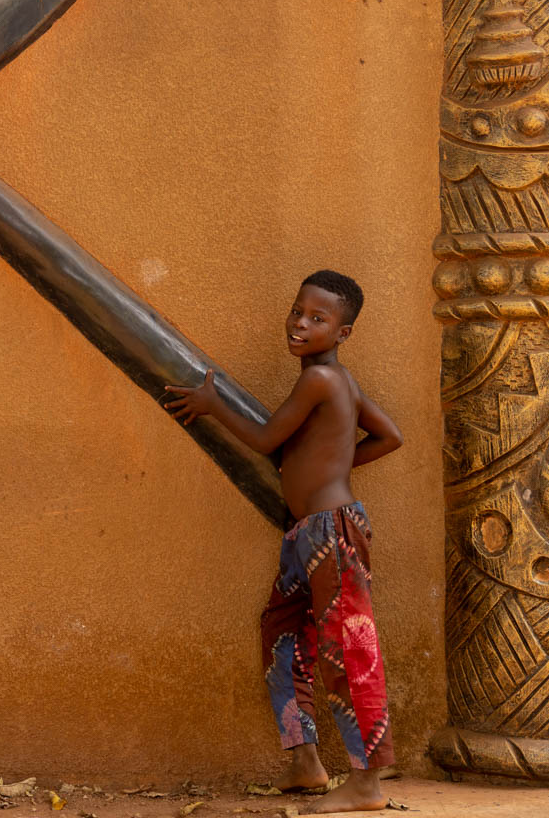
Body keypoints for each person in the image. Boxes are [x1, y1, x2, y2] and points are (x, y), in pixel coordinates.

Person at [165, 270, 403, 813]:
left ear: (342, 334)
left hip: (331, 531)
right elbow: (390, 437)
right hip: (308, 533)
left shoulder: (320, 380)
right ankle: (305, 760)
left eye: (318, 319)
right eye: (298, 311)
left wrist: (212, 405)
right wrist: (327, 467)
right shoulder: (342, 384)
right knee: (282, 634)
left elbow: (266, 438)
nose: (300, 323)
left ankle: (366, 783)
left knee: (347, 649)